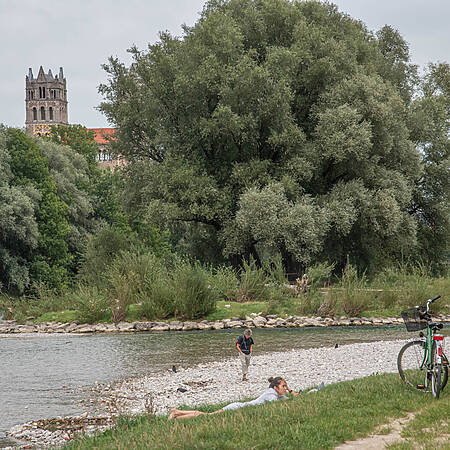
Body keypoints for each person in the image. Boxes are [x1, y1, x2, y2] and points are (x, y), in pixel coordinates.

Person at [168, 377, 299, 420]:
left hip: (239, 406)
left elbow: (287, 400)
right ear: (275, 387)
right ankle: (177, 414)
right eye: (283, 386)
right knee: (207, 416)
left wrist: (290, 391)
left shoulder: (274, 393)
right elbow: (276, 405)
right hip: (236, 408)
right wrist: (290, 394)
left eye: (285, 386)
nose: (285, 389)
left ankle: (178, 413)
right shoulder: (271, 395)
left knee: (208, 415)